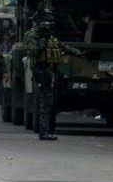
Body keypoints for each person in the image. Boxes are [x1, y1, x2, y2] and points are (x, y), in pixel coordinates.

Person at [25, 9, 82, 141]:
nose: (49, 25)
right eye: (47, 22)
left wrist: (78, 53)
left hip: (52, 73)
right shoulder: (32, 35)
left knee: (51, 103)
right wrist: (41, 43)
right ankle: (44, 132)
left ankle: (49, 130)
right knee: (45, 103)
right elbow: (31, 52)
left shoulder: (50, 37)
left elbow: (61, 47)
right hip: (42, 71)